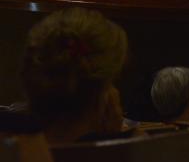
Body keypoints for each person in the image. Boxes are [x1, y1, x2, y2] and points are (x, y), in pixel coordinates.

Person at [21, 8, 129, 144]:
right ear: (103, 97)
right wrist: (114, 142)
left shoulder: (15, 153)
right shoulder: (138, 154)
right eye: (112, 81)